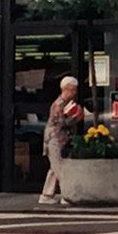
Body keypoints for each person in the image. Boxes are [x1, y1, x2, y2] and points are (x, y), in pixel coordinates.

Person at [39, 76, 82, 205]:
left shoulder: (65, 104)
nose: (74, 93)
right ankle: (66, 195)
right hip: (54, 138)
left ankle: (47, 194)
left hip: (58, 138)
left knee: (54, 168)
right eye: (72, 90)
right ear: (66, 89)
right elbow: (61, 122)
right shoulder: (58, 105)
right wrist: (75, 117)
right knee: (60, 168)